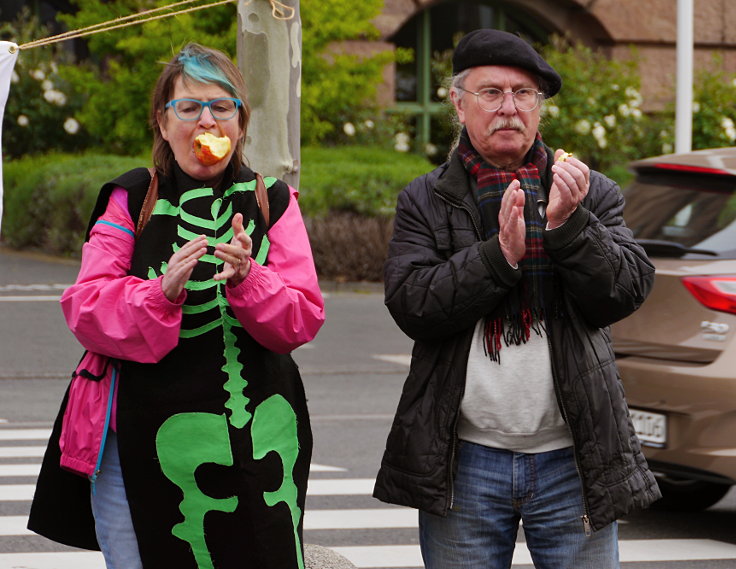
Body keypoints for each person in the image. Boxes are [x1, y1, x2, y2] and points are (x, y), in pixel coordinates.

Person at [28, 43, 325, 569]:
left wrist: (252, 279)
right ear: (162, 124)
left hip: (256, 433)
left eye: (221, 106)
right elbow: (85, 306)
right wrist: (159, 292)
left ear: (240, 123)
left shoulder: (271, 200)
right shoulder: (133, 198)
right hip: (140, 440)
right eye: (187, 108)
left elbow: (302, 318)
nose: (205, 120)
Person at [373, 29, 661, 569]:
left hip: (574, 455)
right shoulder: (425, 198)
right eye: (492, 93)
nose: (509, 108)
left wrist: (570, 228)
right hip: (464, 458)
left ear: (539, 108)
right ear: (458, 104)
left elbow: (626, 291)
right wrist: (498, 258)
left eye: (523, 94)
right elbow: (412, 304)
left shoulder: (587, 190)